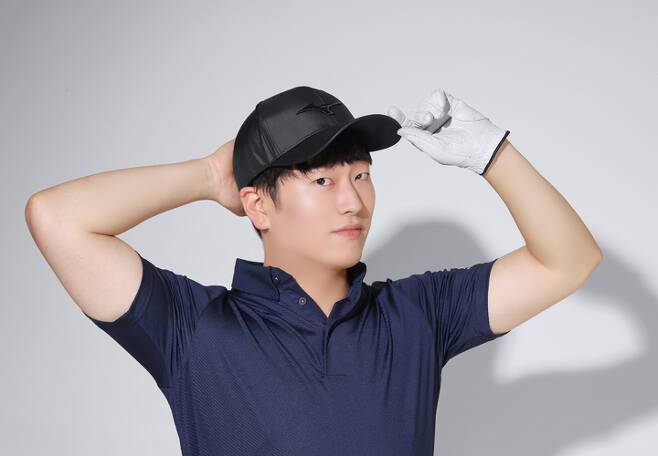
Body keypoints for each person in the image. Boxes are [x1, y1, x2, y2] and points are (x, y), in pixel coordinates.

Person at [25, 85, 602, 455]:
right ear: (258, 206)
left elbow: (568, 260)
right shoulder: (194, 328)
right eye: (322, 180)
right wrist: (207, 176)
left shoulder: (416, 314)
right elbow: (57, 218)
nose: (353, 202)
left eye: (361, 175)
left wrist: (494, 155)